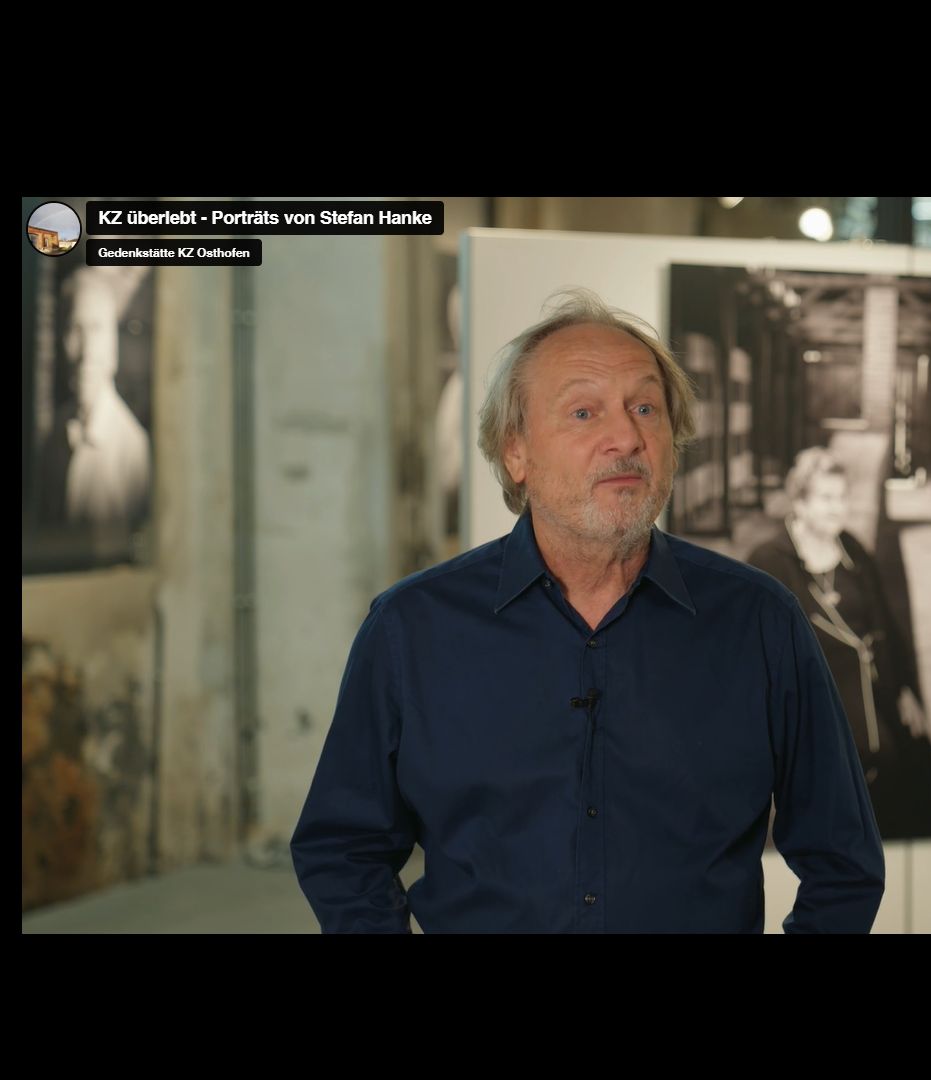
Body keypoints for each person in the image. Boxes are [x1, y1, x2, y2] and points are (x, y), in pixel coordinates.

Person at [290, 288, 884, 933]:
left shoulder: (759, 621)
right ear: (516, 452)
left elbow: (843, 859)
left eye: (645, 408)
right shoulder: (412, 628)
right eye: (583, 412)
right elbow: (343, 848)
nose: (626, 436)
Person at [747, 448, 931, 838]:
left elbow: (886, 625)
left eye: (842, 497)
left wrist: (905, 689)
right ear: (799, 502)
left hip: (872, 693)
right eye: (826, 498)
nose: (837, 508)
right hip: (814, 707)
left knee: (895, 783)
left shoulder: (853, 551)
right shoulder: (768, 563)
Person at [36, 266, 152, 528]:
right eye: (76, 329)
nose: (87, 350)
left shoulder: (132, 451)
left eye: (98, 329)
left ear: (114, 343)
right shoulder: (55, 437)